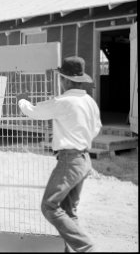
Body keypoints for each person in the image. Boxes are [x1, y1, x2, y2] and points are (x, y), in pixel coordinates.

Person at [18, 56, 102, 252]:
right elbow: (96, 128)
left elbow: (34, 111)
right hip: (83, 159)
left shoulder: (63, 101)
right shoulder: (89, 102)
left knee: (49, 206)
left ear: (64, 79)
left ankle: (86, 248)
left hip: (69, 159)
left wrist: (21, 100)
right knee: (68, 211)